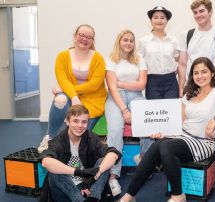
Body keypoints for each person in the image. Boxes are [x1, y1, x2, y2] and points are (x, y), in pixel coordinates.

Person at [119, 57, 215, 202]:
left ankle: (178, 195)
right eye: (196, 73)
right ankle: (129, 195)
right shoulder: (189, 94)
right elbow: (180, 122)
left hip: (202, 142)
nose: (200, 76)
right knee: (156, 145)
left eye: (204, 72)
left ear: (212, 73)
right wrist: (163, 133)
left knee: (166, 146)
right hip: (183, 136)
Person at [38, 24, 107, 153]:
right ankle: (49, 137)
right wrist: (74, 97)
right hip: (70, 96)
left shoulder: (98, 58)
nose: (85, 39)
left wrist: (69, 90)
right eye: (81, 35)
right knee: (60, 99)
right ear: (75, 36)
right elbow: (63, 79)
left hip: (93, 98)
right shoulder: (62, 56)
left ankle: (69, 149)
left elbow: (94, 85)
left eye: (89, 37)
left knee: (79, 128)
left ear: (92, 41)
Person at [41, 105, 121, 202]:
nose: (80, 125)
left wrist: (97, 172)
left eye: (84, 122)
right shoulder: (58, 141)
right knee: (54, 171)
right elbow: (46, 162)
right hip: (66, 188)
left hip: (88, 186)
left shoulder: (90, 137)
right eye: (75, 121)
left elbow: (113, 154)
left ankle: (93, 199)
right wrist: (78, 172)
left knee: (104, 161)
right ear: (67, 121)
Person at [105, 29, 147, 196]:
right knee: (115, 129)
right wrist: (124, 110)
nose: (128, 43)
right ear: (119, 42)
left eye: (131, 40)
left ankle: (143, 159)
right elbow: (112, 88)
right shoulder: (110, 59)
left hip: (136, 96)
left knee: (147, 122)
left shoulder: (139, 59)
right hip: (116, 98)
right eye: (125, 40)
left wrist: (121, 82)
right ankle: (114, 174)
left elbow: (141, 85)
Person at [135, 6, 179, 165]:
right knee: (155, 121)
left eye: (162, 17)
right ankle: (153, 159)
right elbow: (139, 64)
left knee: (170, 120)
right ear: (151, 20)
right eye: (156, 17)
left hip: (170, 81)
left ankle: (168, 157)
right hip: (152, 81)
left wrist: (180, 84)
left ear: (167, 21)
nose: (159, 20)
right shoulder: (143, 41)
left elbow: (178, 62)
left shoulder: (174, 40)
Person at [177, 0, 215, 97]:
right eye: (195, 12)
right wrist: (181, 88)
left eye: (202, 11)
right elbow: (182, 64)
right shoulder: (186, 35)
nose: (198, 15)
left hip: (213, 88)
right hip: (191, 88)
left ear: (210, 12)